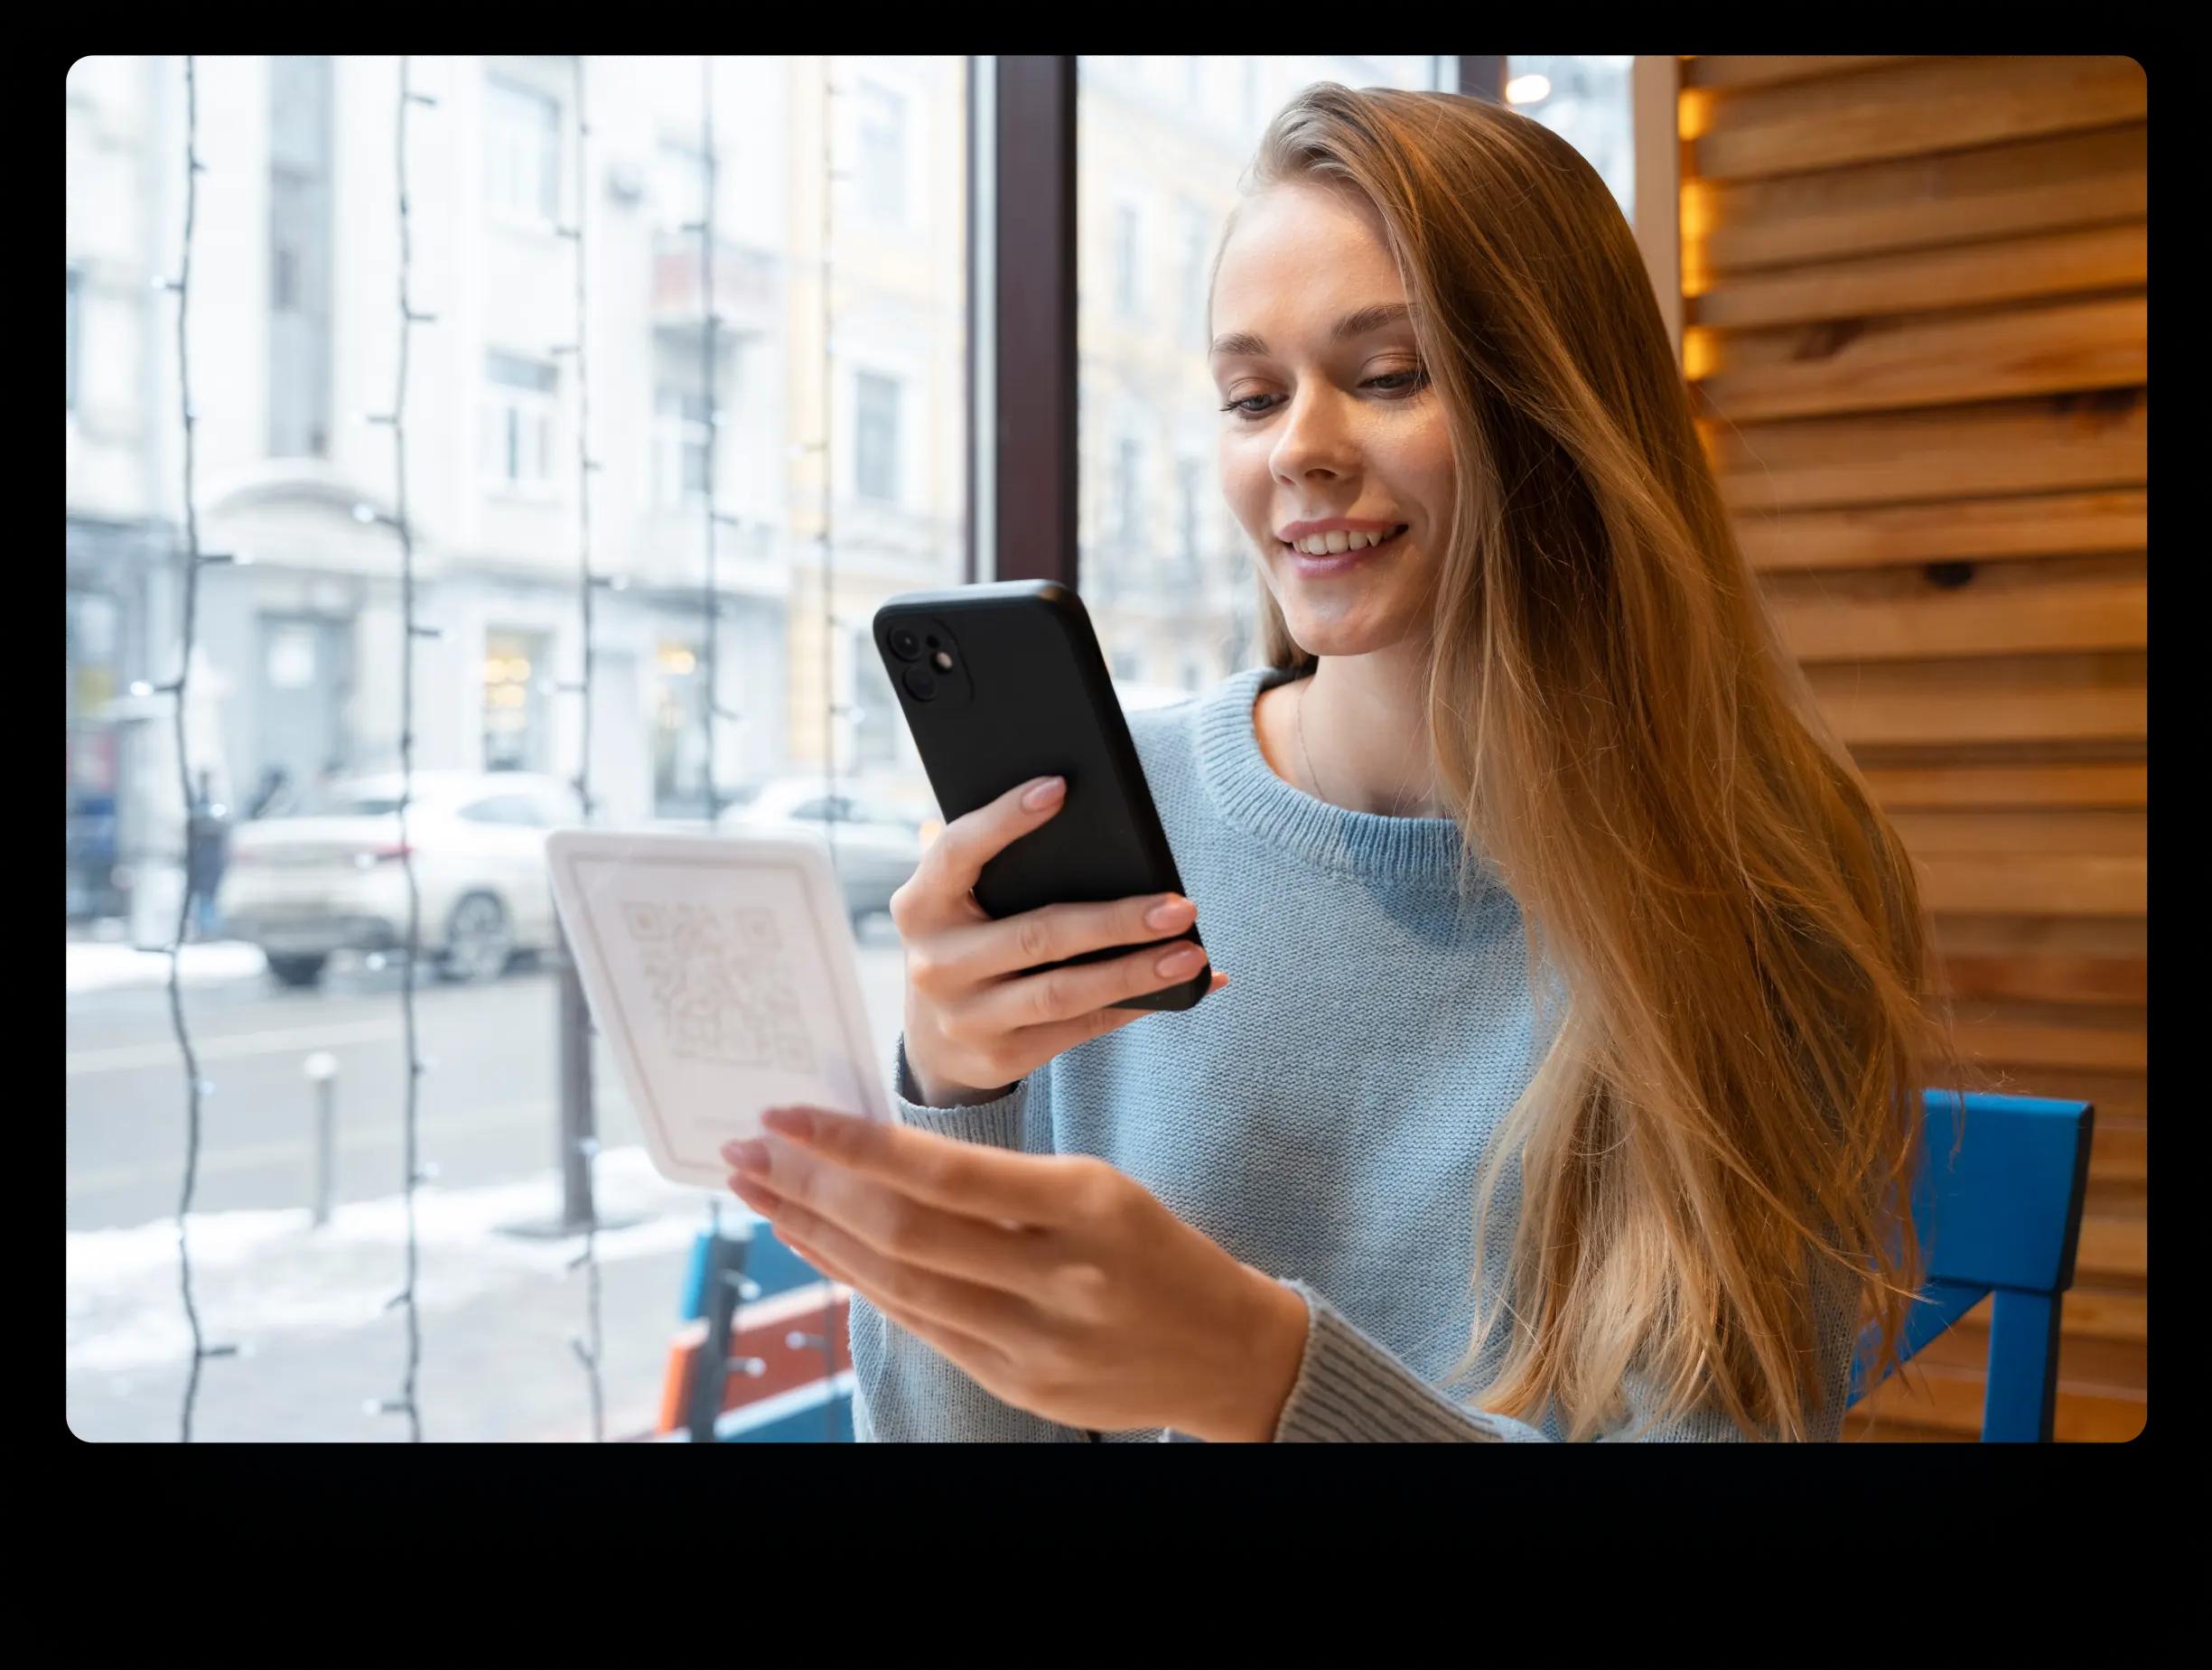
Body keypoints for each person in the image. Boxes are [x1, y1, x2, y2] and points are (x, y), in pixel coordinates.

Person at [721, 85, 1968, 1442]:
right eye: (1251, 397)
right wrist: (956, 1099)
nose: (1298, 451)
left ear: (1561, 410)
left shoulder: (1768, 883)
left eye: (1388, 375)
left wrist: (1270, 1381)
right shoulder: (1104, 821)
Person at [183, 769, 231, 941]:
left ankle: (208, 929)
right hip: (202, 859)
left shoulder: (214, 804)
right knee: (204, 897)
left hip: (209, 859)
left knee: (209, 896)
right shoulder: (201, 805)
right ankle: (205, 929)